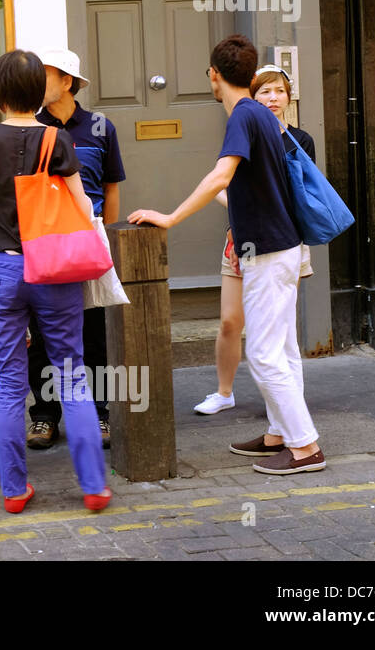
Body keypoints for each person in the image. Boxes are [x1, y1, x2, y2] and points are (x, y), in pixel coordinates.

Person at [130, 36, 326, 475]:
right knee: (283, 349)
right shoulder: (261, 115)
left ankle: (305, 447)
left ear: (214, 77)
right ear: (253, 78)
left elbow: (221, 175)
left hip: (270, 251)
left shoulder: (243, 115)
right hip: (282, 246)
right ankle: (279, 434)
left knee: (263, 353)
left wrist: (171, 216)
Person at [0, 50, 111, 513]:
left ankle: (14, 490)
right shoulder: (57, 140)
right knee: (71, 378)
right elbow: (83, 206)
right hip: (53, 269)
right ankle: (93, 487)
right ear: (36, 92)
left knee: (10, 382)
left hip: (3, 270)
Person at [195, 63, 315, 415]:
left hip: (281, 243)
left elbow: (301, 195)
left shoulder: (299, 139)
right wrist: (241, 214)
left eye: (279, 91)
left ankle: (285, 406)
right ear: (252, 93)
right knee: (231, 320)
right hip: (241, 237)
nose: (273, 98)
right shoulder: (244, 126)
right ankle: (224, 391)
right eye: (265, 91)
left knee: (280, 333)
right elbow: (222, 184)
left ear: (289, 97)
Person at [26, 49, 125, 450]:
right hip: (47, 246)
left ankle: (101, 413)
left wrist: (111, 239)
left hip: (90, 244)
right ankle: (45, 417)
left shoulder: (101, 127)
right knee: (44, 335)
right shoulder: (31, 128)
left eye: (44, 76)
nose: (37, 84)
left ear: (67, 81)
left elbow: (112, 187)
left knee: (95, 333)